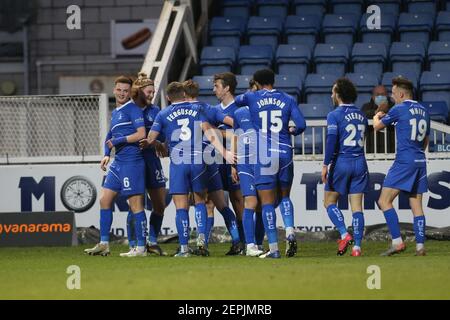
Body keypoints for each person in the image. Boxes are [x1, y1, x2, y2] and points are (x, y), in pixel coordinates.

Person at [141, 81, 235, 257]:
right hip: (200, 160)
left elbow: (150, 139)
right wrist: (225, 152)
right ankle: (201, 240)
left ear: (168, 97)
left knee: (181, 206)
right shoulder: (198, 109)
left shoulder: (163, 113)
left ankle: (184, 248)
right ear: (184, 95)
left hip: (179, 162)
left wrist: (156, 143)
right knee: (200, 201)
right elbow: (209, 131)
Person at [235, 69, 306, 259]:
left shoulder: (252, 97)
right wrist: (291, 129)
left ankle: (274, 249)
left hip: (265, 154)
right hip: (285, 152)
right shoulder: (288, 99)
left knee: (266, 203)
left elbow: (237, 101)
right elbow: (301, 125)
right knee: (284, 196)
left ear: (257, 82)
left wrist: (253, 94)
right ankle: (290, 230)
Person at [84, 76, 147, 257]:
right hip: (117, 163)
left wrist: (119, 141)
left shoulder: (133, 110)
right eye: (119, 90)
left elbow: (141, 134)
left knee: (135, 205)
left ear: (130, 93)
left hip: (132, 163)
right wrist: (106, 154)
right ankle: (104, 243)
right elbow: (109, 136)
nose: (122, 93)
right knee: (104, 200)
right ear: (114, 90)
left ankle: (141, 248)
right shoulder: (116, 112)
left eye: (125, 91)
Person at [182, 79, 242, 255]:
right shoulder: (209, 109)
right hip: (212, 162)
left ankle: (202, 245)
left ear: (184, 94)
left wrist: (217, 132)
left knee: (203, 203)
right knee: (220, 204)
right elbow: (235, 124)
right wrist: (221, 133)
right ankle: (238, 241)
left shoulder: (179, 111)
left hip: (196, 162)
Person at [373, 77, 430, 256]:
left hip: (404, 160)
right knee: (417, 204)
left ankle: (397, 242)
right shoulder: (423, 110)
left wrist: (377, 116)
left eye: (393, 93)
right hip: (420, 160)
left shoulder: (399, 108)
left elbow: (377, 127)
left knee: (384, 201)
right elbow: (426, 140)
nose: (392, 96)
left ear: (402, 94)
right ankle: (420, 247)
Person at [120, 73, 168, 257]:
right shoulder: (127, 110)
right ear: (139, 91)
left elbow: (162, 138)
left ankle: (152, 241)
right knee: (135, 205)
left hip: (151, 161)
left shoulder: (155, 111)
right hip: (132, 162)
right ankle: (134, 244)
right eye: (149, 91)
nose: (151, 95)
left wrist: (157, 143)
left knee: (160, 204)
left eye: (154, 92)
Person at [321, 78, 369, 257]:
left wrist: (326, 164)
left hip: (342, 162)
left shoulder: (334, 115)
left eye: (333, 91)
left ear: (339, 94)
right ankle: (357, 248)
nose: (331, 94)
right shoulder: (362, 114)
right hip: (360, 161)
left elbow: (332, 141)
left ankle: (344, 233)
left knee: (329, 202)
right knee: (357, 207)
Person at [212, 72, 246, 253]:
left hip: (235, 160)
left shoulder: (239, 109)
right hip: (216, 160)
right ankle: (237, 241)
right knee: (216, 202)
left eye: (217, 86)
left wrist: (221, 134)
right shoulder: (215, 110)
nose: (214, 89)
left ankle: (247, 242)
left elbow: (240, 134)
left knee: (238, 201)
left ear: (227, 88)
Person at [361, 85, 395, 153]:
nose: (380, 97)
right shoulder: (366, 106)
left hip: (391, 149)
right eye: (377, 94)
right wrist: (376, 112)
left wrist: (386, 111)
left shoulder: (394, 107)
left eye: (383, 94)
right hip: (371, 150)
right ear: (373, 96)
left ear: (387, 95)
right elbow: (363, 116)